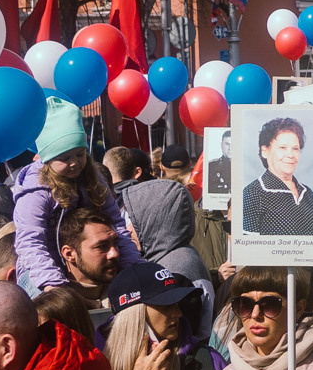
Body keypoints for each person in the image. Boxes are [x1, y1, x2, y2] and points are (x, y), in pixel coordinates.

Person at [13, 97, 137, 294]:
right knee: (52, 308)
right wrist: (52, 282)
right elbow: (30, 240)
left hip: (84, 263)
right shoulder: (36, 191)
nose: (74, 163)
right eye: (65, 158)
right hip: (39, 269)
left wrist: (132, 264)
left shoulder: (92, 176)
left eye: (80, 154)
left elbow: (115, 222)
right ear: (47, 158)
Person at [105, 145, 211, 287]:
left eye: (134, 220)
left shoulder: (172, 272)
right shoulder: (169, 257)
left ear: (153, 220)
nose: (128, 229)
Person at [240, 117, 313, 238]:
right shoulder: (252, 194)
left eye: (295, 149)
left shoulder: (307, 193)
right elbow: (249, 250)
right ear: (265, 151)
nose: (290, 155)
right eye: (282, 148)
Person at [57, 207, 124, 310]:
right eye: (101, 246)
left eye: (116, 244)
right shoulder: (56, 309)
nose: (114, 254)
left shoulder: (129, 294)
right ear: (69, 254)